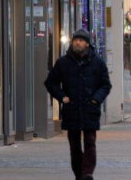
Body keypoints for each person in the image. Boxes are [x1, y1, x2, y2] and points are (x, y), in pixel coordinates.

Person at [44, 29, 112, 180]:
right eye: (75, 40)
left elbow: (105, 85)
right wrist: (62, 97)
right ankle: (79, 174)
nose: (77, 43)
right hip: (72, 109)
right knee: (74, 145)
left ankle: (87, 173)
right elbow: (50, 83)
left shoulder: (98, 63)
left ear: (87, 44)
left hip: (90, 109)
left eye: (81, 40)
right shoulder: (63, 62)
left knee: (90, 142)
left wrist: (96, 99)